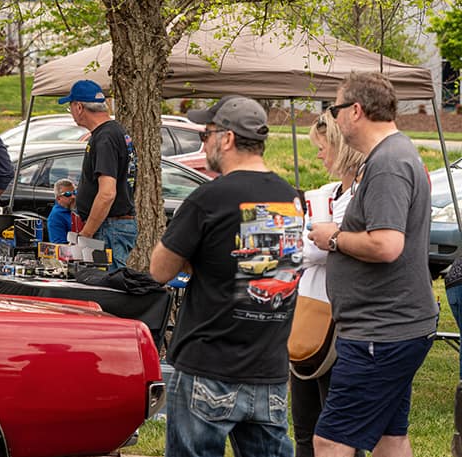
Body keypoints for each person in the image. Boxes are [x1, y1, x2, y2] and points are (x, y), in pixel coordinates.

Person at [149, 95, 301, 457]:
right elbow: (265, 278)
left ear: (227, 138)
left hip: (209, 364)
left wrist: (195, 259)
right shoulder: (290, 198)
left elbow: (159, 270)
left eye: (206, 133)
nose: (203, 142)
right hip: (268, 370)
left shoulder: (210, 198)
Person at [307, 72, 438, 457]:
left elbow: (386, 244)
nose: (334, 117)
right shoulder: (393, 155)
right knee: (389, 438)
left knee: (330, 441)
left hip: (380, 333)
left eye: (335, 108)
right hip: (392, 327)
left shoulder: (388, 164)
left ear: (356, 111)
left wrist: (332, 237)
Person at [292, 113, 365, 457]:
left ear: (342, 147)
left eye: (323, 148)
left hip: (342, 321)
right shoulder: (325, 192)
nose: (319, 156)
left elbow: (314, 249)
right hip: (308, 316)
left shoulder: (359, 197)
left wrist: (318, 240)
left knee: (339, 432)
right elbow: (307, 246)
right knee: (305, 427)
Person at [61, 79, 136, 271]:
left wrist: (86, 233)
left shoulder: (105, 138)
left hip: (110, 228)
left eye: (70, 108)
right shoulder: (113, 132)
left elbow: (107, 193)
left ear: (79, 107)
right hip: (113, 226)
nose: (72, 114)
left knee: (107, 289)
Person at [47, 178, 77, 243]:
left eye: (74, 192)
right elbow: (60, 245)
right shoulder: (56, 216)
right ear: (58, 198)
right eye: (68, 194)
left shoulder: (77, 209)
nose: (73, 197)